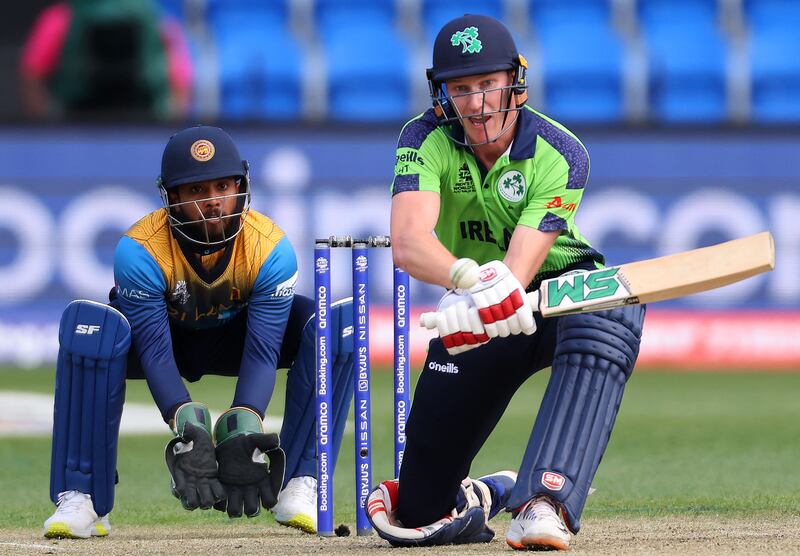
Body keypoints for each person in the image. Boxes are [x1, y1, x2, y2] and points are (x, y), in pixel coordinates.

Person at [366, 14, 645, 550]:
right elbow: (408, 242)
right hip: (477, 299)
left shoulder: (561, 152)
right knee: (421, 511)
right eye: (460, 89)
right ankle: (486, 493)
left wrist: (491, 285)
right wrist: (465, 278)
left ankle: (545, 501)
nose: (476, 104)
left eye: (488, 84)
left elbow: (519, 269)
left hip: (559, 293)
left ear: (515, 82)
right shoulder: (424, 137)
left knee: (610, 314)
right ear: (442, 93)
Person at [44, 125, 353, 538]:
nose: (213, 202)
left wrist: (244, 424)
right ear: (171, 197)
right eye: (196, 191)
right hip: (165, 340)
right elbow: (154, 351)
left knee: (330, 329)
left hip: (236, 339)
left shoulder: (269, 248)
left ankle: (301, 483)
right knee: (91, 333)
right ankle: (81, 496)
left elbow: (263, 351)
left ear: (241, 186)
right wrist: (187, 425)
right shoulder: (140, 249)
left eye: (223, 186)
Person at [20, 0, 192, 120]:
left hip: (78, 127)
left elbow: (32, 76)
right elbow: (180, 79)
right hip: (84, 121)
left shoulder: (60, 16)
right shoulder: (157, 16)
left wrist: (50, 128)